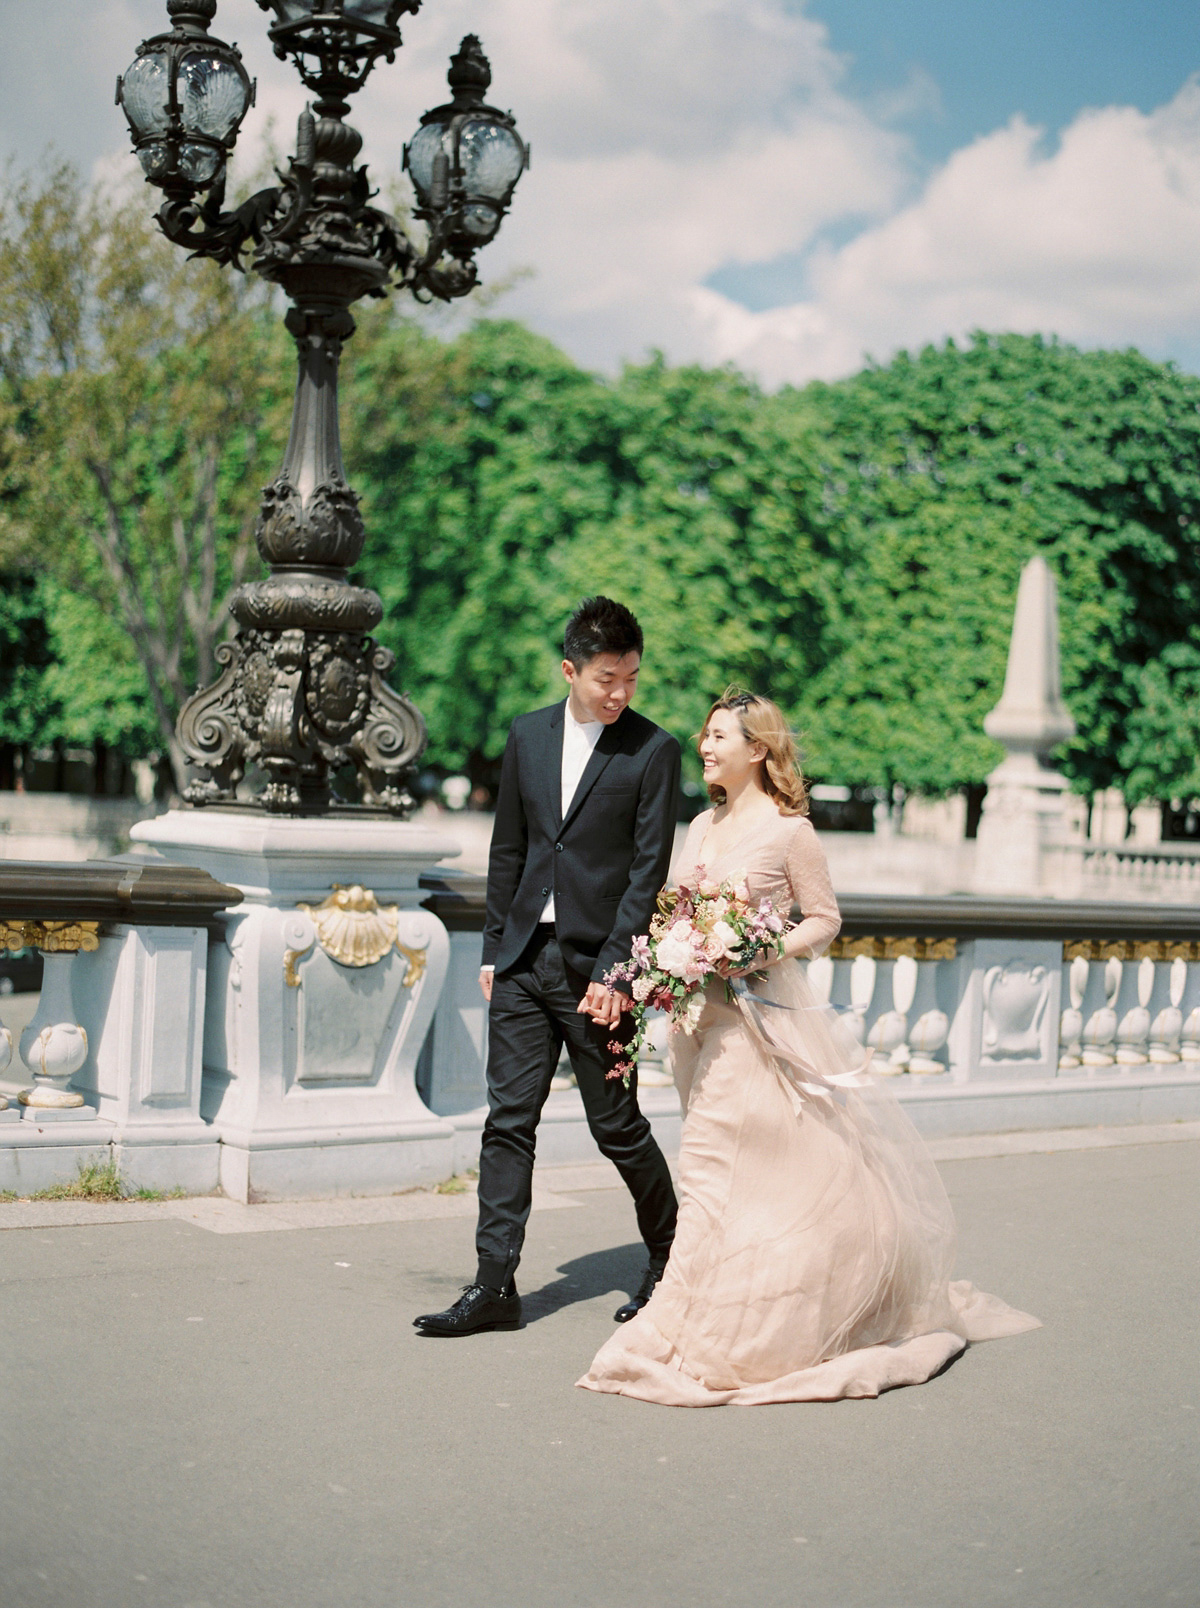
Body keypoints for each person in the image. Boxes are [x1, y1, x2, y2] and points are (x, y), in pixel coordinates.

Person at [579, 690, 1040, 1404]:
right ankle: (711, 1308)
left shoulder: (791, 833)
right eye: (705, 736)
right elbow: (672, 909)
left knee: (712, 1170)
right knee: (718, 1173)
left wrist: (755, 950)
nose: (705, 747)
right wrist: (672, 958)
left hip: (752, 1021)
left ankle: (692, 1328)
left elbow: (824, 919)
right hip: (692, 1024)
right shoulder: (699, 826)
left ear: (757, 749)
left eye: (719, 736)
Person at [415, 598, 682, 1337]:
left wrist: (617, 971)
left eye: (631, 676)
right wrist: (494, 948)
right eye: (606, 677)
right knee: (507, 1123)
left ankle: (671, 1262)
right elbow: (509, 849)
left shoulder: (653, 751)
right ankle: (494, 1285)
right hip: (525, 960)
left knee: (618, 1127)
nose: (620, 692)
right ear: (571, 669)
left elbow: (646, 874)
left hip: (601, 972)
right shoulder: (527, 735)